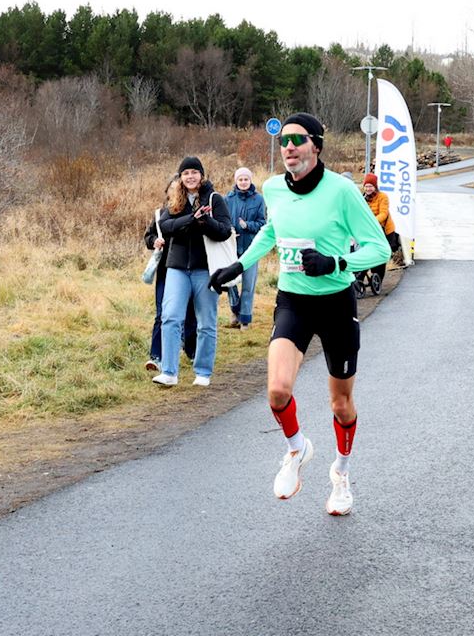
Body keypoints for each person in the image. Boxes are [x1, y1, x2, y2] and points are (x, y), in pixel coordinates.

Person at [208, 114, 390, 516]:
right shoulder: (273, 188)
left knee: (341, 404)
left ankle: (341, 473)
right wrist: (239, 265)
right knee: (277, 390)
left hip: (336, 303)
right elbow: (274, 231)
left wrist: (337, 262)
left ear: (316, 146)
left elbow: (380, 249)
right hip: (293, 301)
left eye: (297, 139)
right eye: (284, 140)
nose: (288, 147)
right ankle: (296, 448)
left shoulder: (342, 192)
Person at [153, 156, 232, 387]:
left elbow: (225, 231)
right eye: (185, 173)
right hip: (177, 267)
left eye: (194, 172)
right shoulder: (174, 199)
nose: (190, 177)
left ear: (201, 175)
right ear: (181, 177)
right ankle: (169, 372)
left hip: (205, 269)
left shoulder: (215, 199)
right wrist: (191, 219)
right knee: (170, 318)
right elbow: (166, 227)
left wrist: (205, 221)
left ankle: (203, 372)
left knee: (206, 322)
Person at [142, 186, 197, 372]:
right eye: (172, 191)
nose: (176, 194)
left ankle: (191, 350)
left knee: (189, 313)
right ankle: (156, 357)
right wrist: (153, 241)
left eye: (178, 190)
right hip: (165, 271)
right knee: (161, 313)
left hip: (185, 270)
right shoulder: (160, 215)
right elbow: (148, 236)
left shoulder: (191, 213)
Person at [225, 166, 267, 329]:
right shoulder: (228, 199)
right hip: (231, 248)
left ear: (250, 181)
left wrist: (247, 225)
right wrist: (229, 230)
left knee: (248, 286)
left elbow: (263, 223)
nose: (243, 182)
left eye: (246, 179)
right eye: (240, 179)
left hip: (251, 248)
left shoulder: (259, 199)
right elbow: (222, 219)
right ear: (236, 181)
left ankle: (245, 320)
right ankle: (235, 310)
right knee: (230, 283)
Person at [360, 172, 403, 287]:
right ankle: (360, 277)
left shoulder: (382, 197)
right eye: (366, 186)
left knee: (381, 254)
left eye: (370, 186)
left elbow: (383, 213)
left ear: (375, 187)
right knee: (367, 252)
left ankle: (378, 278)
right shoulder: (362, 198)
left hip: (384, 230)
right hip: (370, 231)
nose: (368, 189)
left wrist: (371, 222)